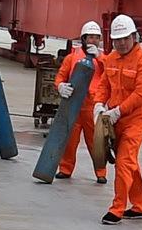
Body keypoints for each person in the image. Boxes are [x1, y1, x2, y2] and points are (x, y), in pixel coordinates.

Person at [93, 12, 142, 224]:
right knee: (129, 162)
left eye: (125, 38)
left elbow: (141, 95)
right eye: (117, 39)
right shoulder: (111, 59)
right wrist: (98, 104)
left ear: (134, 37)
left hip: (135, 120)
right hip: (115, 119)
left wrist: (118, 111)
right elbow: (104, 84)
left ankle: (117, 208)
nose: (121, 43)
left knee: (123, 162)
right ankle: (140, 206)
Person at [44, 19, 110, 185]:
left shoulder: (104, 59)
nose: (94, 40)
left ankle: (101, 172)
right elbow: (60, 77)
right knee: (70, 141)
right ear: (84, 39)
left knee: (96, 142)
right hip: (74, 105)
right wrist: (61, 87)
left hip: (93, 106)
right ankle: (65, 169)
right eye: (91, 37)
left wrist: (100, 58)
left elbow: (111, 73)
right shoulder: (72, 58)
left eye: (97, 37)